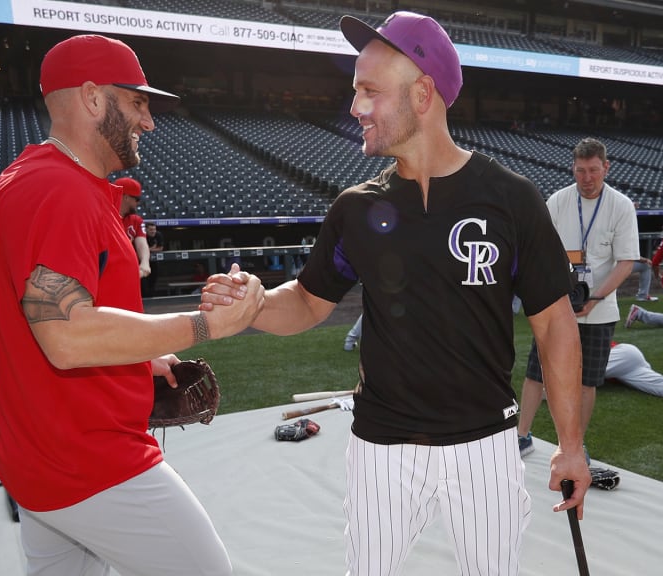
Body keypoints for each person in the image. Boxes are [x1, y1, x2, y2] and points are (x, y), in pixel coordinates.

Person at [202, 11, 590, 575]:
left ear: (423, 94)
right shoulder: (356, 208)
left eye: (369, 91)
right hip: (382, 447)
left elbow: (555, 324)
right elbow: (310, 301)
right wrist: (257, 303)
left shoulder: (511, 199)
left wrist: (571, 442)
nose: (355, 107)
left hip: (485, 445)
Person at [0, 34, 265, 576]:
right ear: (92, 98)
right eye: (137, 102)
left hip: (38, 451)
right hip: (89, 461)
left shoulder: (47, 177)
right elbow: (66, 338)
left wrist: (140, 358)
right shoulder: (57, 190)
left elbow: (62, 322)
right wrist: (204, 325)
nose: (149, 121)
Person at [518, 138, 640, 460]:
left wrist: (596, 297)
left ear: (606, 168)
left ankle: (573, 445)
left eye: (593, 170)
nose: (587, 178)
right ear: (573, 168)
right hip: (558, 305)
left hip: (600, 310)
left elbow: (626, 262)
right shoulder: (558, 201)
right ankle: (521, 434)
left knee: (586, 381)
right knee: (537, 372)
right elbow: (539, 250)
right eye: (580, 170)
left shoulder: (621, 206)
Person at [115, 176, 151, 280]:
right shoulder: (103, 216)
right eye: (136, 199)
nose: (138, 203)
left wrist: (145, 262)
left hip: (128, 273)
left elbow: (142, 244)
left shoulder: (136, 220)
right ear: (126, 197)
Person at [142, 221, 164, 297]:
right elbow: (140, 249)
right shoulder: (142, 235)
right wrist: (150, 249)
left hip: (154, 262)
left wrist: (149, 249)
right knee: (143, 281)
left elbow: (160, 248)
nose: (153, 231)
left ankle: (151, 297)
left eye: (154, 229)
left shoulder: (158, 235)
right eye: (151, 230)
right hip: (142, 261)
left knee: (153, 280)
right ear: (146, 230)